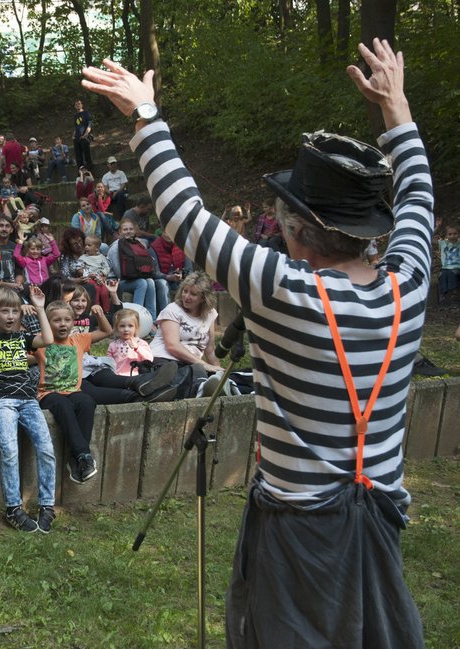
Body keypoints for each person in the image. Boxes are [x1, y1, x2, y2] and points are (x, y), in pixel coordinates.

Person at [83, 40, 429, 647]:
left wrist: (145, 115)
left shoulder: (282, 288)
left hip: (298, 526)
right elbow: (421, 202)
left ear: (294, 230)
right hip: (380, 518)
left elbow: (184, 214)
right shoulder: (411, 284)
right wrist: (396, 109)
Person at [0, 285, 56, 533]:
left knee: (46, 449)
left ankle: (47, 505)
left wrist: (41, 309)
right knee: (10, 450)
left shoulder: (22, 338)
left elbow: (48, 340)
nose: (10, 316)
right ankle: (13, 508)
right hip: (2, 401)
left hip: (28, 400)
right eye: (4, 311)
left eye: (14, 311)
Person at [36, 300, 114, 484]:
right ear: (47, 323)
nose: (62, 324)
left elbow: (106, 331)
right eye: (56, 320)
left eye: (67, 320)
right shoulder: (40, 341)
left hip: (74, 390)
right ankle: (83, 455)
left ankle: (76, 458)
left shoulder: (78, 340)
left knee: (87, 402)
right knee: (63, 405)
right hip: (48, 394)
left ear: (73, 322)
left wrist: (100, 315)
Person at [149, 272, 220, 374]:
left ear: (203, 298)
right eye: (185, 291)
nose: (186, 296)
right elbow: (172, 346)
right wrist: (204, 365)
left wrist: (219, 372)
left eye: (193, 294)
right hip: (164, 359)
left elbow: (210, 351)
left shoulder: (210, 314)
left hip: (191, 364)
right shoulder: (172, 310)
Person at [438, 224, 460, 307]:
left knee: (451, 273)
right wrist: (437, 227)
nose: (452, 236)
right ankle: (442, 296)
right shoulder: (443, 243)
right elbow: (429, 238)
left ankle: (454, 296)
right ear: (446, 235)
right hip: (445, 268)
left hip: (457, 268)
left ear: (459, 234)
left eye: (455, 234)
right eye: (449, 234)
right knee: (442, 275)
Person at [73, 99, 93, 172]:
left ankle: (90, 171)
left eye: (79, 103)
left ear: (82, 105)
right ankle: (80, 173)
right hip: (77, 138)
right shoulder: (75, 116)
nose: (78, 105)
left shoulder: (86, 113)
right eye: (76, 104)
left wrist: (85, 135)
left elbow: (89, 125)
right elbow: (76, 127)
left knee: (87, 156)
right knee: (78, 157)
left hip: (85, 137)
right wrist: (74, 136)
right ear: (75, 106)